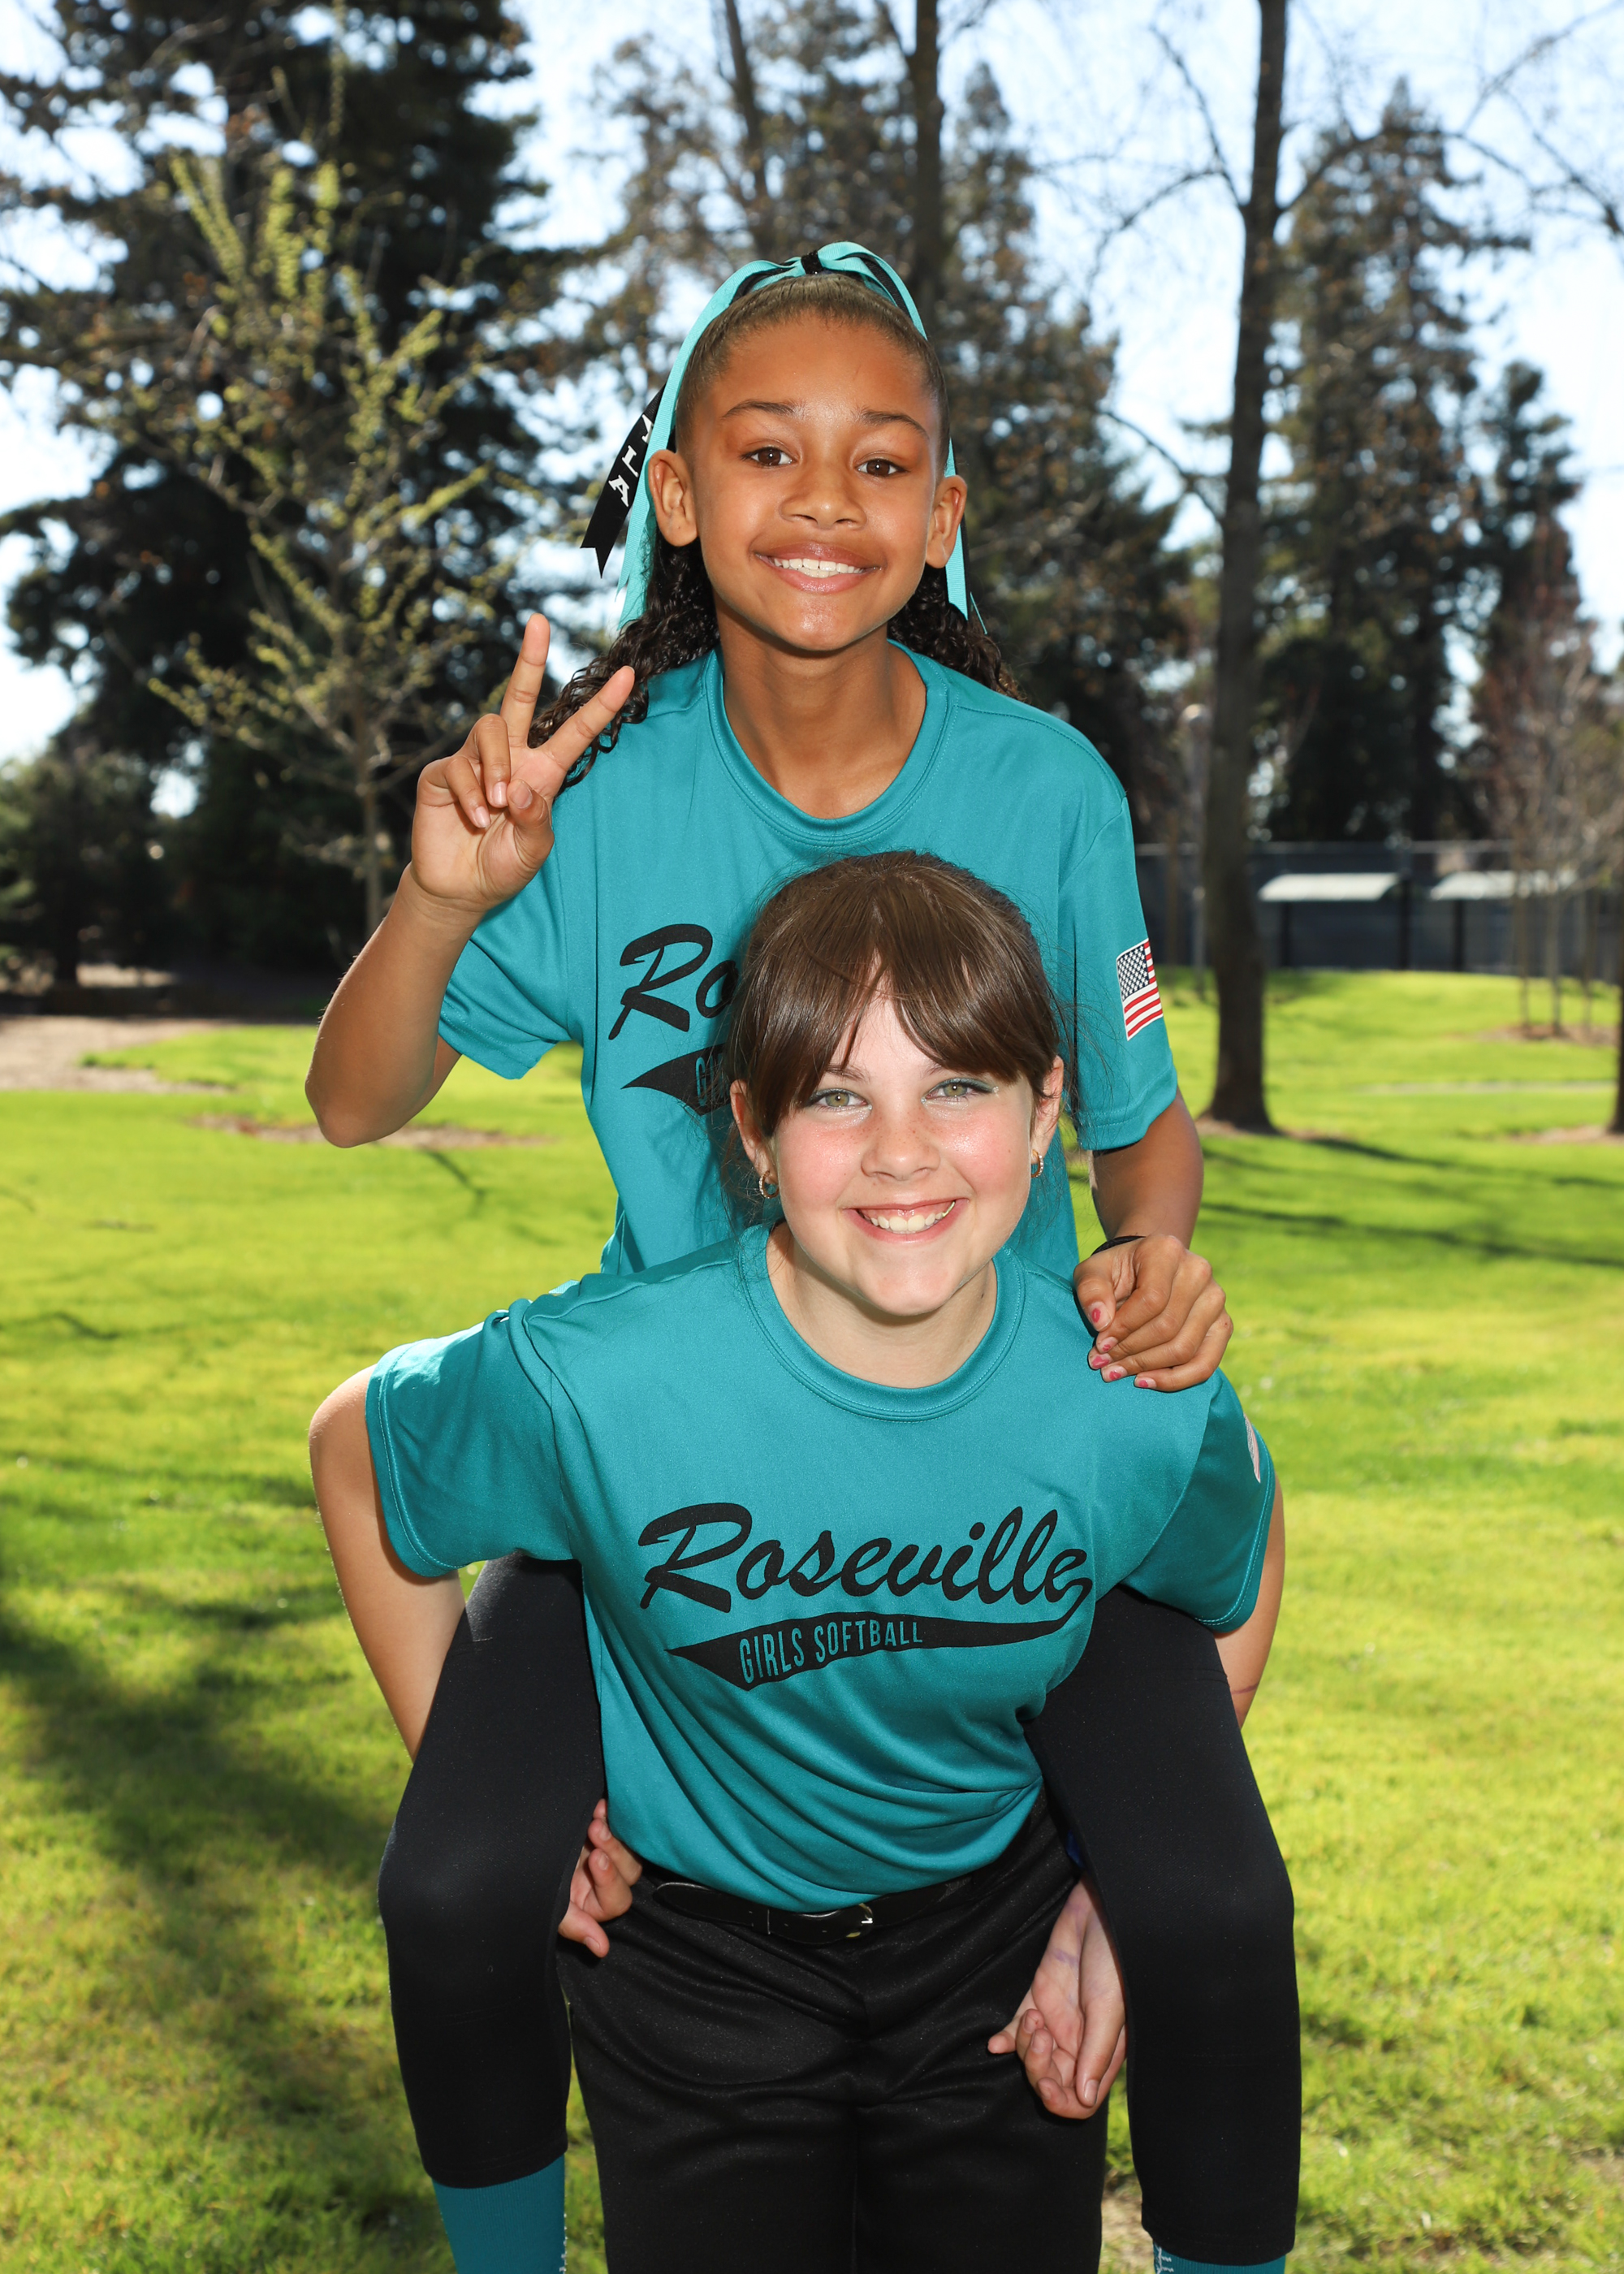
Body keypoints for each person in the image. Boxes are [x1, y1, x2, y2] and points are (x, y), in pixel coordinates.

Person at [304, 245, 1298, 2274]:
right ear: (675, 492)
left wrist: (1149, 1260)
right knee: (463, 1881)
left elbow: (1136, 1113)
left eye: (882, 460)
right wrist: (441, 900)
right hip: (677, 1443)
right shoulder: (603, 791)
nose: (825, 498)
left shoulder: (1040, 783)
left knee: (1207, 1910)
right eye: (768, 451)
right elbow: (349, 1101)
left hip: (986, 1435)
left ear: (944, 514)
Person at [311, 853, 1287, 2274]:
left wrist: (1112, 1886)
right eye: (837, 1095)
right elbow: (358, 1450)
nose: (902, 1151)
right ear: (754, 1132)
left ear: (1047, 1112)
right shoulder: (606, 1381)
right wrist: (455, 1755)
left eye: (958, 1085)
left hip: (993, 1975)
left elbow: (1237, 1562)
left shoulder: (1123, 1398)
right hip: (694, 1972)